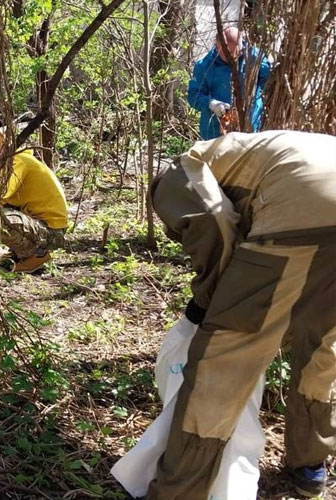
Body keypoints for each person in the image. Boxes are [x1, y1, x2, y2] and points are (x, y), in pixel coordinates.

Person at [147, 130, 336, 499]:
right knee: (322, 345)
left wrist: (206, 301)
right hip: (307, 194)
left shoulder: (175, 174)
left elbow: (214, 228)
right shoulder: (251, 150)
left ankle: (179, 490)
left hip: (295, 207)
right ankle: (310, 462)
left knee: (224, 358)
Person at [187, 27, 271, 140]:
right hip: (214, 134)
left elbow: (268, 82)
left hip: (250, 131)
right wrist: (211, 104)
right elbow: (194, 96)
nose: (236, 55)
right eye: (230, 53)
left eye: (239, 50)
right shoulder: (205, 66)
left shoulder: (255, 58)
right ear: (217, 48)